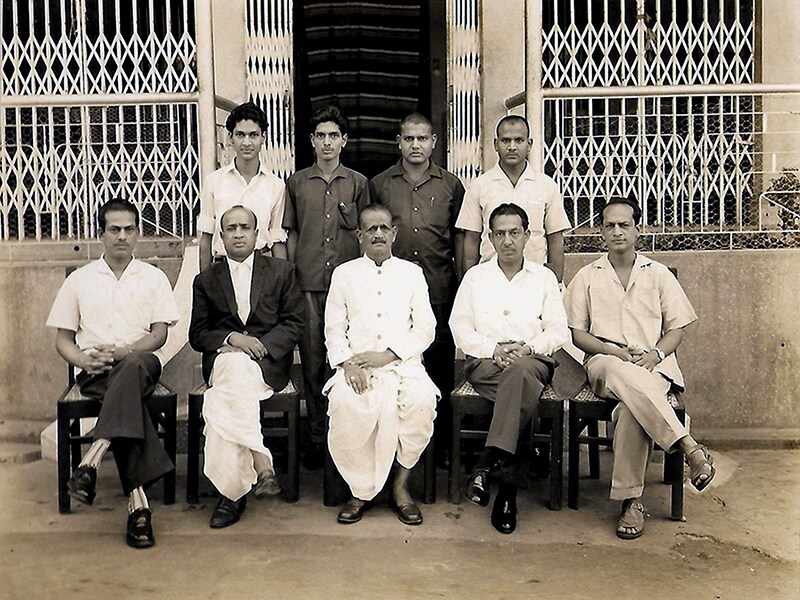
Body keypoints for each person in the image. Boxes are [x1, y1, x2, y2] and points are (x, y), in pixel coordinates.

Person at [563, 197, 715, 540]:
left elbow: (677, 328)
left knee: (631, 413)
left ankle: (631, 502)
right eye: (609, 225)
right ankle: (689, 446)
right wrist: (609, 349)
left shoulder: (657, 274)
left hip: (653, 366)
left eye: (624, 225)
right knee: (619, 370)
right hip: (605, 363)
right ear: (601, 231)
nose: (617, 231)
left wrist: (656, 355)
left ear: (638, 230)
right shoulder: (587, 276)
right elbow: (577, 334)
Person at [46, 198, 179, 549]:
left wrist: (126, 351)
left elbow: (159, 335)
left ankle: (94, 453)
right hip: (97, 372)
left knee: (133, 365)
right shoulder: (80, 280)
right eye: (114, 230)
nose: (122, 236)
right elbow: (63, 339)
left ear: (138, 234)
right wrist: (83, 361)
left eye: (129, 229)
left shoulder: (153, 277)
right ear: (101, 234)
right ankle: (139, 508)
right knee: (127, 401)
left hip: (144, 364)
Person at [450, 203, 569, 534]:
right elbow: (460, 328)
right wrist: (494, 350)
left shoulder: (544, 278)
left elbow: (559, 330)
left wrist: (528, 348)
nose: (507, 241)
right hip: (486, 364)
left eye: (514, 233)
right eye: (500, 234)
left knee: (520, 376)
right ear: (490, 237)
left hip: (533, 361)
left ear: (527, 236)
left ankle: (487, 466)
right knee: (519, 391)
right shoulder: (476, 277)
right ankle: (505, 489)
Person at [189, 205, 304, 528]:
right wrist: (234, 339)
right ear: (221, 237)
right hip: (225, 359)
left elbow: (295, 322)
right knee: (233, 374)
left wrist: (262, 346)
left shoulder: (281, 272)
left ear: (257, 234)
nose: (238, 233)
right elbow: (198, 334)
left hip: (267, 364)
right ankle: (260, 462)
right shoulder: (206, 280)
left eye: (245, 227)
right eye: (231, 228)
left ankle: (232, 495)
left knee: (222, 398)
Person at [323, 204, 438, 525]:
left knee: (420, 402)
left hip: (403, 365)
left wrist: (389, 355)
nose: (377, 234)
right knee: (347, 403)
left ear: (394, 233)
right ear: (359, 236)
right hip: (355, 366)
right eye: (370, 229)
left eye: (383, 228)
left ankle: (400, 488)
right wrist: (348, 364)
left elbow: (426, 328)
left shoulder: (411, 273)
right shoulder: (344, 274)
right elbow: (333, 327)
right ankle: (360, 490)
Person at [370, 112, 465, 458]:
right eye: (408, 138)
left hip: (438, 287)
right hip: (392, 293)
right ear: (399, 142)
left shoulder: (450, 184)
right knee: (398, 366)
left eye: (422, 139)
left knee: (438, 368)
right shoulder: (380, 184)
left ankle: (437, 449)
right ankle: (395, 445)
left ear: (434, 143)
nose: (415, 145)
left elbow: (459, 238)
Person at [282, 105, 370, 470]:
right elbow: (292, 234)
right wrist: (291, 275)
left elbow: (367, 234)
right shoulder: (297, 183)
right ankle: (319, 438)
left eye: (334, 135)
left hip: (349, 288)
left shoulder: (359, 183)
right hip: (310, 285)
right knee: (315, 362)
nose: (327, 142)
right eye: (321, 136)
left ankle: (349, 438)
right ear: (312, 141)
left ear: (344, 141)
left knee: (348, 358)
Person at [456, 115, 571, 283]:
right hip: (490, 281)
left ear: (529, 144)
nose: (512, 147)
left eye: (518, 140)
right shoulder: (480, 186)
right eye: (505, 141)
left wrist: (555, 283)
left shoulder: (546, 185)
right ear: (496, 144)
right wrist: (471, 283)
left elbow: (555, 240)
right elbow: (471, 241)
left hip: (534, 280)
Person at [197, 102, 287, 271]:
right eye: (240, 135)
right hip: (222, 267)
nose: (247, 142)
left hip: (262, 267)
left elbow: (277, 238)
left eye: (253, 135)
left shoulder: (275, 185)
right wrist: (205, 283)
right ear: (230, 138)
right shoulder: (214, 182)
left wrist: (284, 280)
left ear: (263, 138)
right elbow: (206, 237)